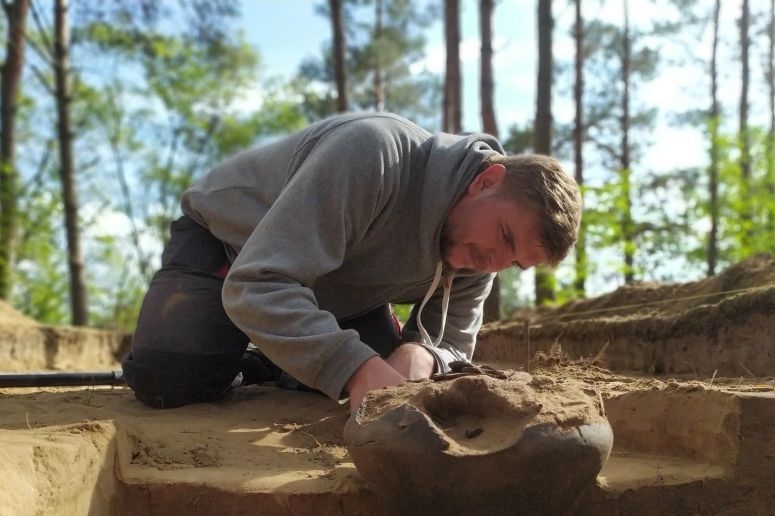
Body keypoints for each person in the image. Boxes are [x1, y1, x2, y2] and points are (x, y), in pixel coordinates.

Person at [122, 111, 581, 411]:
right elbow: (257, 283)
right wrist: (357, 367)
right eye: (504, 236)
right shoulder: (373, 154)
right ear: (487, 182)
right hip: (230, 245)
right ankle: (243, 350)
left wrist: (421, 354)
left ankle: (272, 359)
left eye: (515, 263)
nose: (494, 264)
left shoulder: (478, 255)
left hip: (339, 289)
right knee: (171, 379)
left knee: (385, 385)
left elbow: (455, 341)